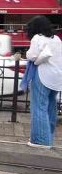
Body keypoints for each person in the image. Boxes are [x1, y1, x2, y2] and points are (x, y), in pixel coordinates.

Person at [24, 16, 62, 149]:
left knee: (39, 107)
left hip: (43, 75)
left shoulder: (37, 38)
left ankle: (41, 140)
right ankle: (48, 138)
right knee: (51, 107)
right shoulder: (57, 39)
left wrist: (27, 54)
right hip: (57, 77)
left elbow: (33, 55)